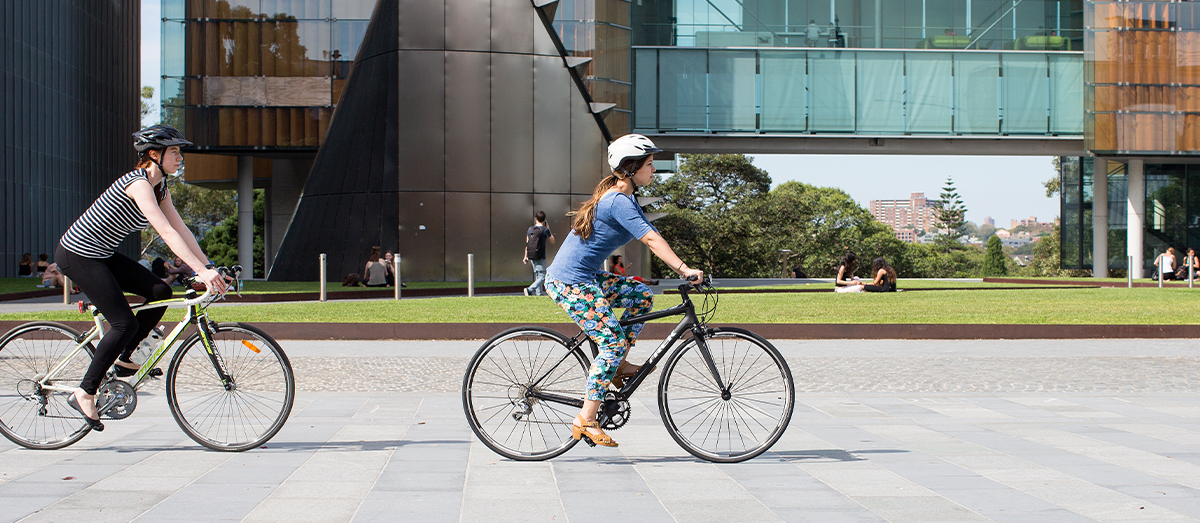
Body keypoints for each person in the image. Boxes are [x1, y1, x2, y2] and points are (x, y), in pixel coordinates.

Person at [56, 124, 227, 431]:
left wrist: (209, 265)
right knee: (124, 322)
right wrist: (200, 271)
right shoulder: (138, 184)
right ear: (153, 154)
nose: (180, 157)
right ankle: (85, 391)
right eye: (174, 152)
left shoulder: (161, 188)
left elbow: (182, 231)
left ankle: (125, 357)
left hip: (102, 254)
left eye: (179, 152)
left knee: (161, 290)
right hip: (78, 254)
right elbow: (164, 231)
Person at [545, 134, 704, 448]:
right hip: (570, 282)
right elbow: (651, 239)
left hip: (588, 277)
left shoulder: (624, 197)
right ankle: (586, 420)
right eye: (649, 164)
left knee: (641, 295)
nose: (653, 170)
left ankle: (616, 367)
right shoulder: (617, 200)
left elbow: (652, 235)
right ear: (631, 168)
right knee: (612, 342)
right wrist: (684, 269)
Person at [523, 211, 555, 296]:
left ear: (536, 218)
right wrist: (549, 229)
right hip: (540, 255)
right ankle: (529, 289)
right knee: (542, 276)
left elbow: (527, 243)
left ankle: (539, 294)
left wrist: (525, 256)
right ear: (544, 220)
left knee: (538, 275)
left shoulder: (530, 229)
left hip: (531, 254)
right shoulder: (545, 230)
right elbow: (552, 241)